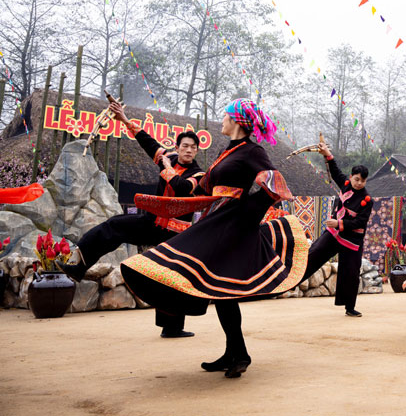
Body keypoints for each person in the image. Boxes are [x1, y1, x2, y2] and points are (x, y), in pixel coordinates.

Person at [120, 99, 309, 378]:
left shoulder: (253, 151)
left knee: (221, 288)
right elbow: (202, 187)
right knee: (222, 291)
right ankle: (236, 353)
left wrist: (248, 211)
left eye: (226, 115)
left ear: (236, 121)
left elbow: (276, 185)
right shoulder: (226, 151)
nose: (222, 119)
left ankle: (238, 354)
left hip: (233, 226)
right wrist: (169, 177)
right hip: (217, 220)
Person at [60, 102, 205, 338]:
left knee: (170, 276)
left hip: (175, 233)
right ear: (177, 147)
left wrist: (167, 167)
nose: (189, 150)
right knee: (115, 225)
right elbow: (147, 141)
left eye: (193, 148)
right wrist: (124, 119)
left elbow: (180, 188)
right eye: (185, 146)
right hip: (152, 223)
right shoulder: (168, 157)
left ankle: (172, 328)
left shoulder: (198, 174)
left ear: (196, 151)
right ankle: (79, 266)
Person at [301, 142, 372, 317]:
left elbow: (360, 223)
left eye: (363, 181)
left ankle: (350, 307)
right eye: (357, 179)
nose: (359, 183)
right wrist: (327, 154)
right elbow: (334, 170)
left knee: (351, 273)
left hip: (352, 241)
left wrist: (339, 223)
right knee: (313, 254)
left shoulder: (367, 200)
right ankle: (290, 280)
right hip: (334, 234)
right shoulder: (345, 184)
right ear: (351, 177)